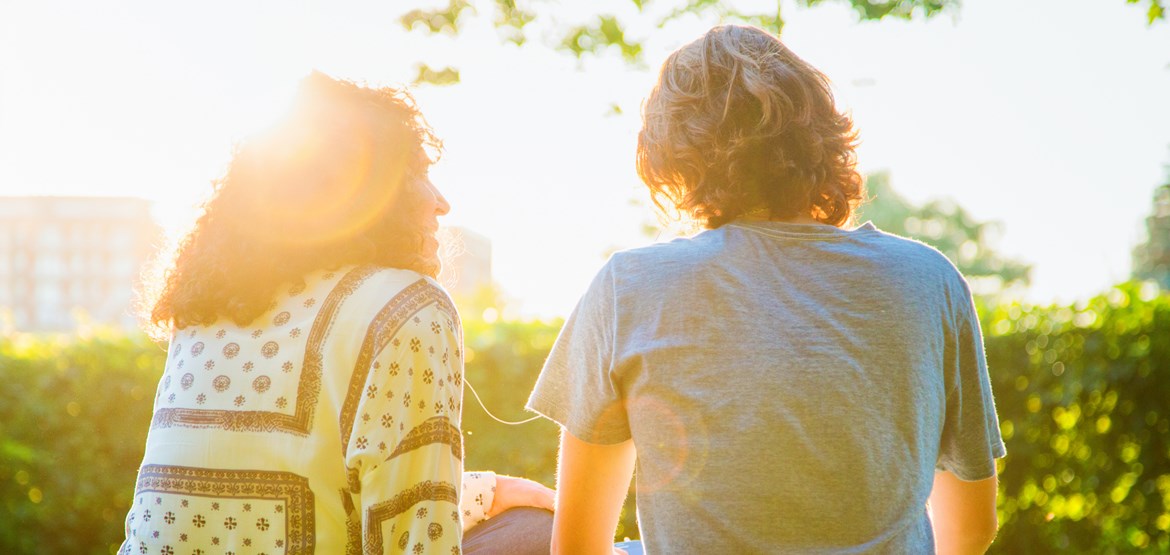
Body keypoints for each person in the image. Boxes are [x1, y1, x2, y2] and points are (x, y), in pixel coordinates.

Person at [526, 25, 1006, 554]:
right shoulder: (929, 280)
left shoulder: (629, 287)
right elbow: (970, 530)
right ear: (822, 133)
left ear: (673, 153)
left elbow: (576, 546)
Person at [121, 71, 553, 555]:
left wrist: (484, 493)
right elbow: (412, 539)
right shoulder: (406, 305)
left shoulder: (206, 312)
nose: (442, 202)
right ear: (368, 190)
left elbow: (282, 479)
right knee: (548, 535)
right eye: (418, 173)